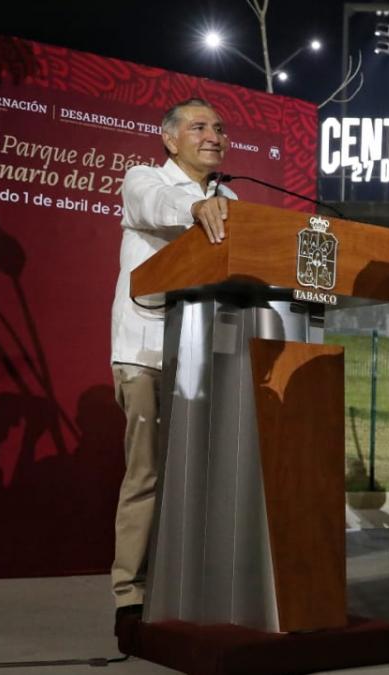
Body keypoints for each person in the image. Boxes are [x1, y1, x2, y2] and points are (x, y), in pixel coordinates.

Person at [109, 98, 234, 629]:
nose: (213, 136)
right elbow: (156, 205)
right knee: (147, 475)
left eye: (220, 129)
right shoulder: (142, 177)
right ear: (170, 139)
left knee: (204, 476)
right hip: (146, 352)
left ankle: (195, 582)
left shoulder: (229, 196)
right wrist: (193, 208)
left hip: (204, 359)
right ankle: (129, 594)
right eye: (199, 126)